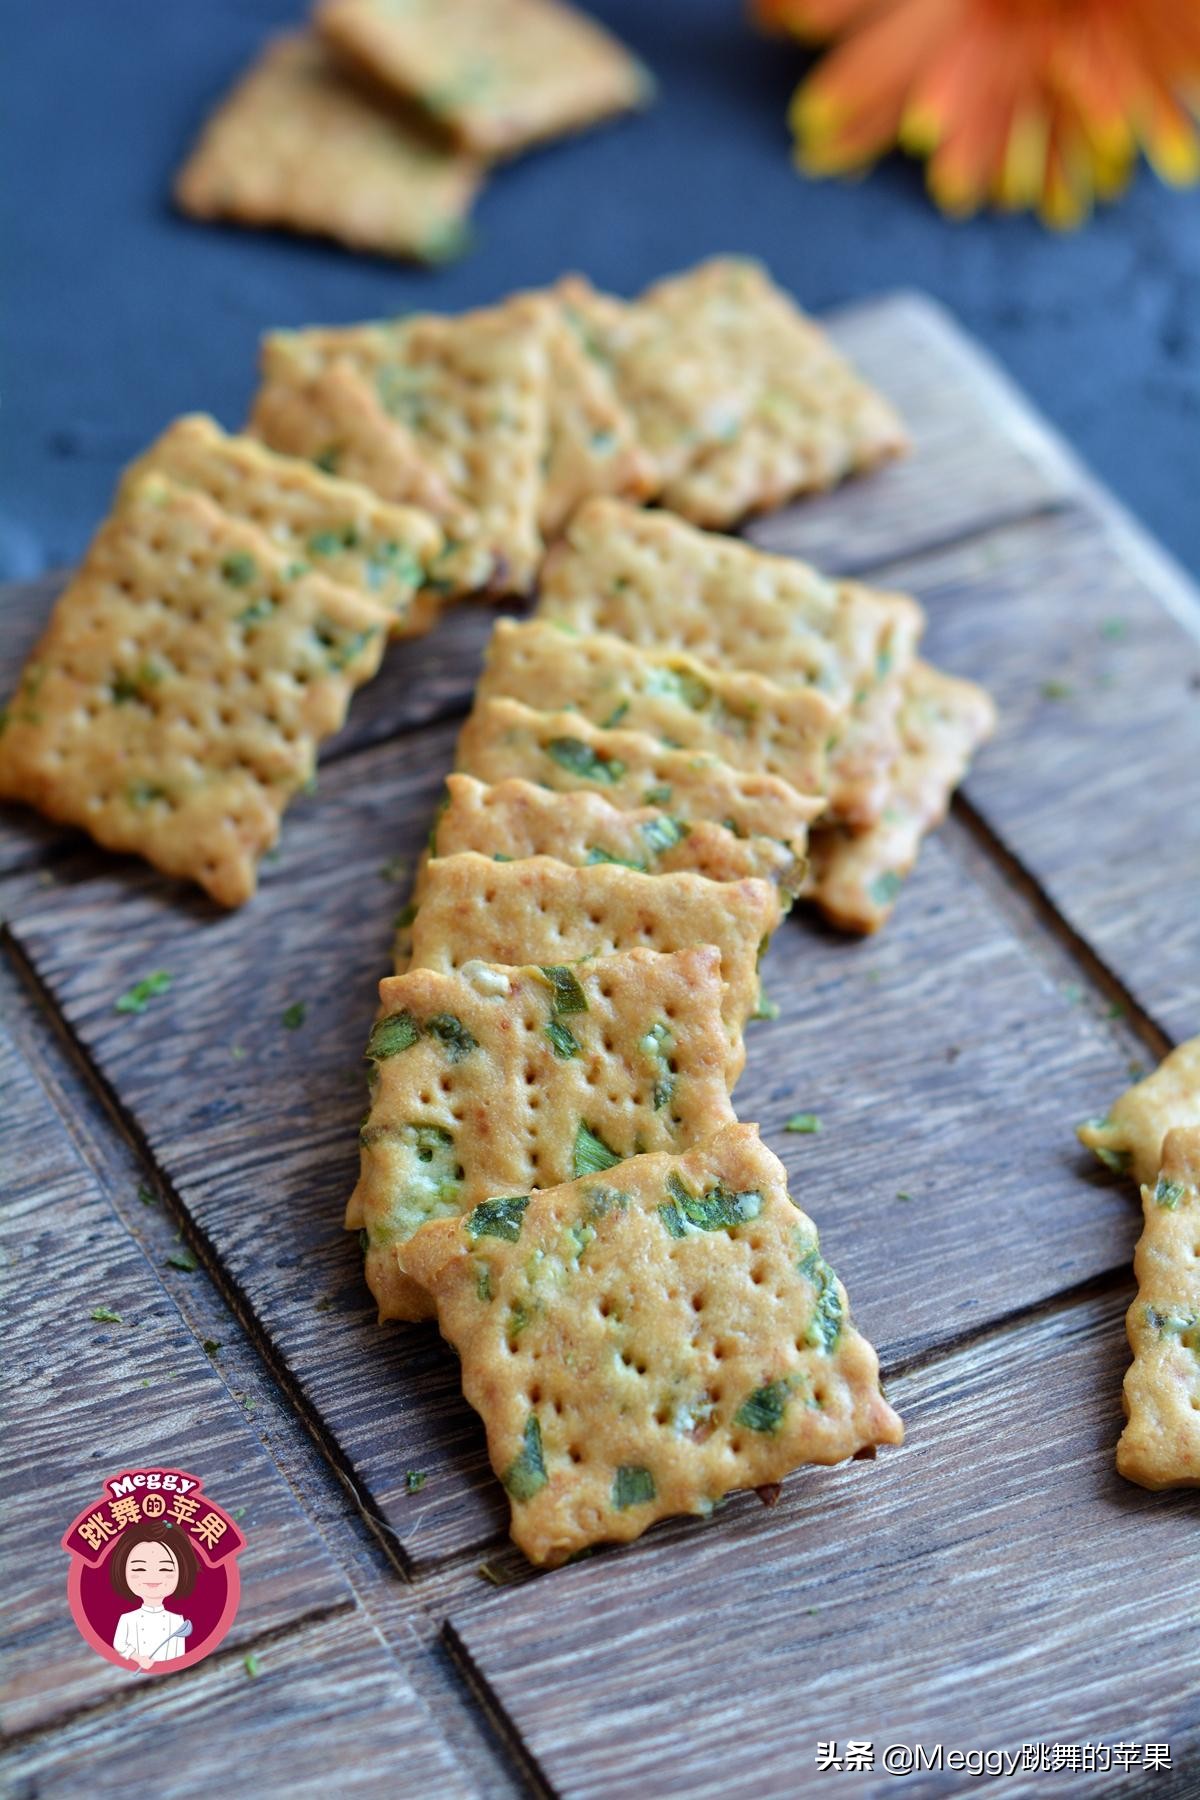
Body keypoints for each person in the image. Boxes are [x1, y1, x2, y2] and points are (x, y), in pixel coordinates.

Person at [108, 1519, 199, 1671]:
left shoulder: (177, 1621)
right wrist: (138, 1658)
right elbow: (119, 1644)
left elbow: (180, 1655)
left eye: (165, 1569)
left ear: (182, 1571)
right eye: (139, 1569)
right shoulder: (128, 1619)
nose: (152, 1577)